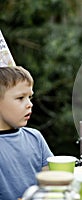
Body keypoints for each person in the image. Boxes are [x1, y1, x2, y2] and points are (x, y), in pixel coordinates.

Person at [0, 66, 54, 200]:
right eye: (20, 98)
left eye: (29, 97)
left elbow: (51, 181)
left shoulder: (35, 138)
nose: (30, 104)